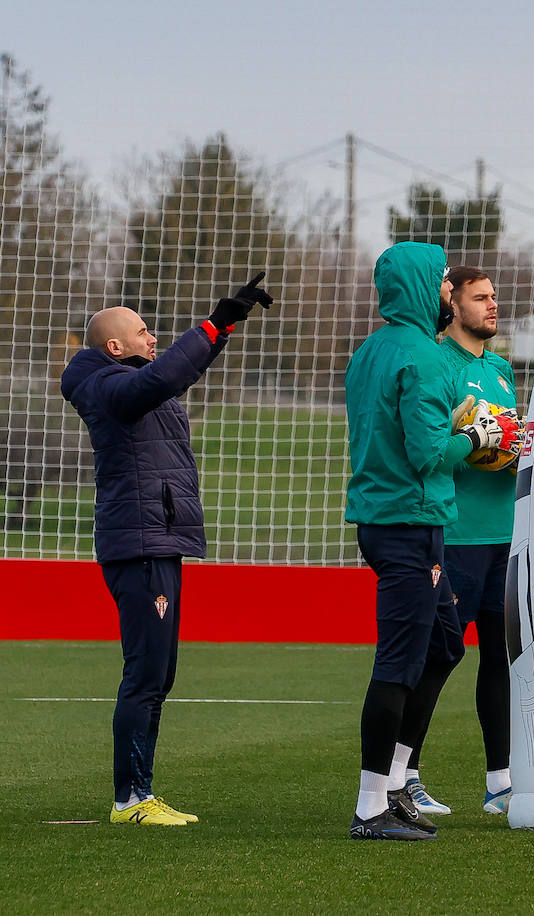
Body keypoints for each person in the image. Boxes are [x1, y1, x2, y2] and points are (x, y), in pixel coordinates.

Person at [60, 273, 275, 827]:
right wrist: (214, 323)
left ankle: (140, 794)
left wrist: (222, 327)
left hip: (155, 540)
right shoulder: (111, 390)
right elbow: (162, 377)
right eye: (142, 331)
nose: (152, 337)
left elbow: (172, 371)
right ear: (115, 347)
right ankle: (130, 800)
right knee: (146, 673)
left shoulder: (127, 379)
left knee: (159, 674)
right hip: (138, 543)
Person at [343, 243, 520, 841]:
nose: (451, 291)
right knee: (400, 662)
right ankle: (374, 804)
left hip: (392, 518)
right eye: (447, 283)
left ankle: (396, 781)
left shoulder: (374, 348)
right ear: (425, 288)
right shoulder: (420, 355)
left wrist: (456, 424)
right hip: (409, 523)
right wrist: (477, 437)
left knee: (445, 647)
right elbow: (425, 454)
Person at [401, 266, 521, 818]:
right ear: (453, 304)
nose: (492, 306)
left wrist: (518, 442)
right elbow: (433, 448)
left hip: (504, 534)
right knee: (437, 658)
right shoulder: (435, 363)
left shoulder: (499, 368)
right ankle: (406, 774)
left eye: (494, 297)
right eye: (480, 298)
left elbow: (504, 449)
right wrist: (475, 437)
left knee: (501, 658)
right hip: (453, 535)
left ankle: (501, 783)